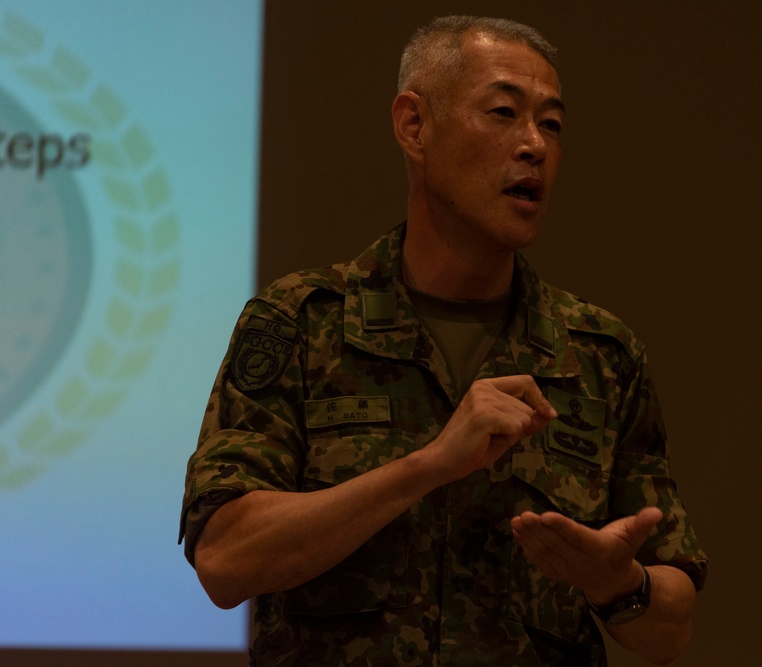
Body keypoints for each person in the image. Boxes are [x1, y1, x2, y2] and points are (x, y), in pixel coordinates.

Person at [180, 15, 707, 666]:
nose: (534, 145)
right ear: (414, 125)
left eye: (552, 124)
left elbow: (671, 626)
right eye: (504, 112)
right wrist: (427, 466)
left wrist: (617, 582)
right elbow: (224, 558)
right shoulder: (302, 322)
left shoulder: (599, 354)